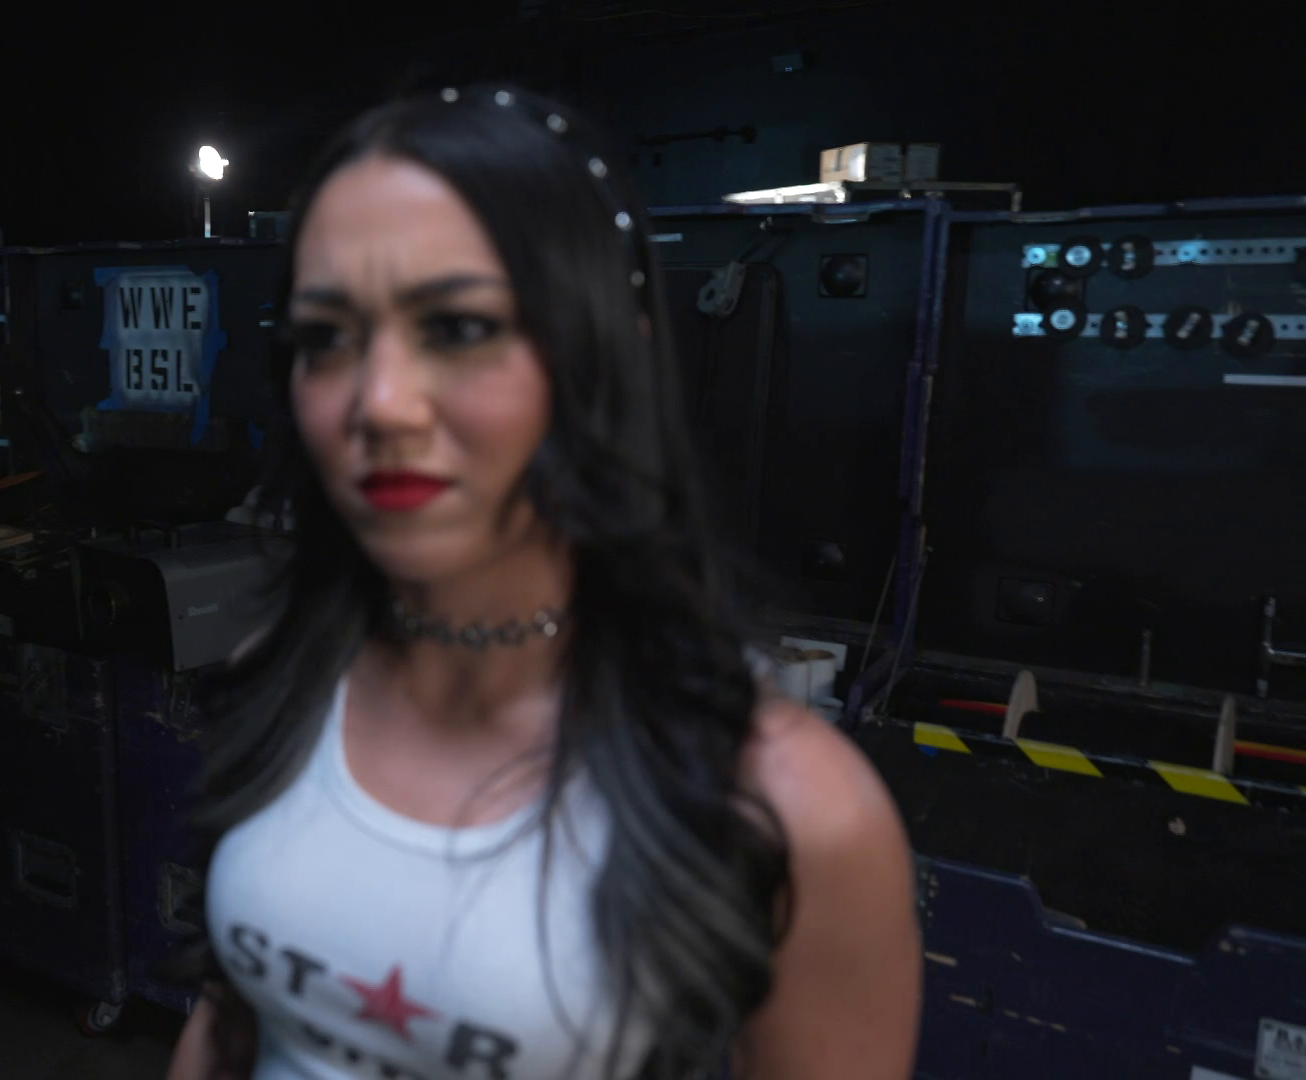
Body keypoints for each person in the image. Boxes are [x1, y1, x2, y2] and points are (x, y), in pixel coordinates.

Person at [165, 85, 921, 1080]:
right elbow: (227, 1024)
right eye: (326, 338)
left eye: (458, 327)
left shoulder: (788, 804)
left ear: (608, 357)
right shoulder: (284, 679)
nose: (379, 402)